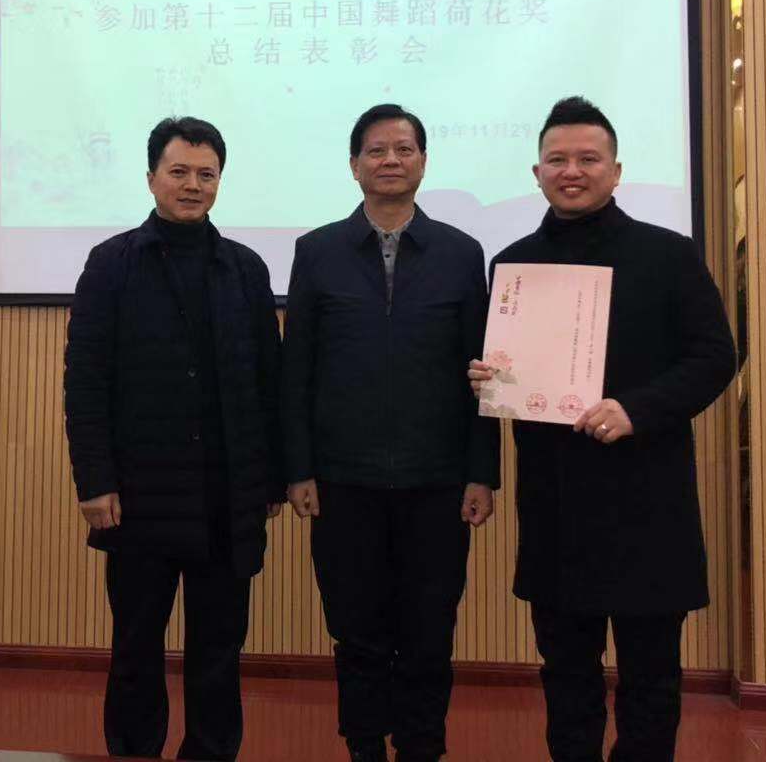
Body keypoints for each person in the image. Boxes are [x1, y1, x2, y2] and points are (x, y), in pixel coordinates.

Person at [468, 96, 736, 762]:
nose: (572, 171)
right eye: (557, 159)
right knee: (565, 673)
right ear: (536, 173)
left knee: (651, 676)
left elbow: (715, 357)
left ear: (616, 171)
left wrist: (637, 409)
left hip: (648, 498)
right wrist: (489, 377)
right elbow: (507, 372)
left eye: (588, 159)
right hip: (556, 503)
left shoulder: (669, 255)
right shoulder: (514, 266)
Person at [281, 102, 500, 762]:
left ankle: (422, 747)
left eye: (404, 149)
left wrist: (482, 473)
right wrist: (298, 468)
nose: (390, 161)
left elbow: (483, 378)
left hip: (438, 481)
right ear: (354, 166)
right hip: (342, 480)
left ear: (423, 162)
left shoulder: (461, 253)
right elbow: (296, 371)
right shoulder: (317, 251)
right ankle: (365, 746)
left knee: (430, 632)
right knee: (357, 633)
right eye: (376, 150)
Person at [64, 116, 284, 762]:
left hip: (226, 500)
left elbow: (268, 381)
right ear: (151, 177)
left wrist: (270, 481)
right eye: (179, 171)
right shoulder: (111, 264)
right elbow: (86, 381)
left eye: (206, 174)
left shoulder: (245, 269)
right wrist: (95, 481)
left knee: (219, 651)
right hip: (139, 498)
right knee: (136, 649)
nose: (193, 185)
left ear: (220, 181)